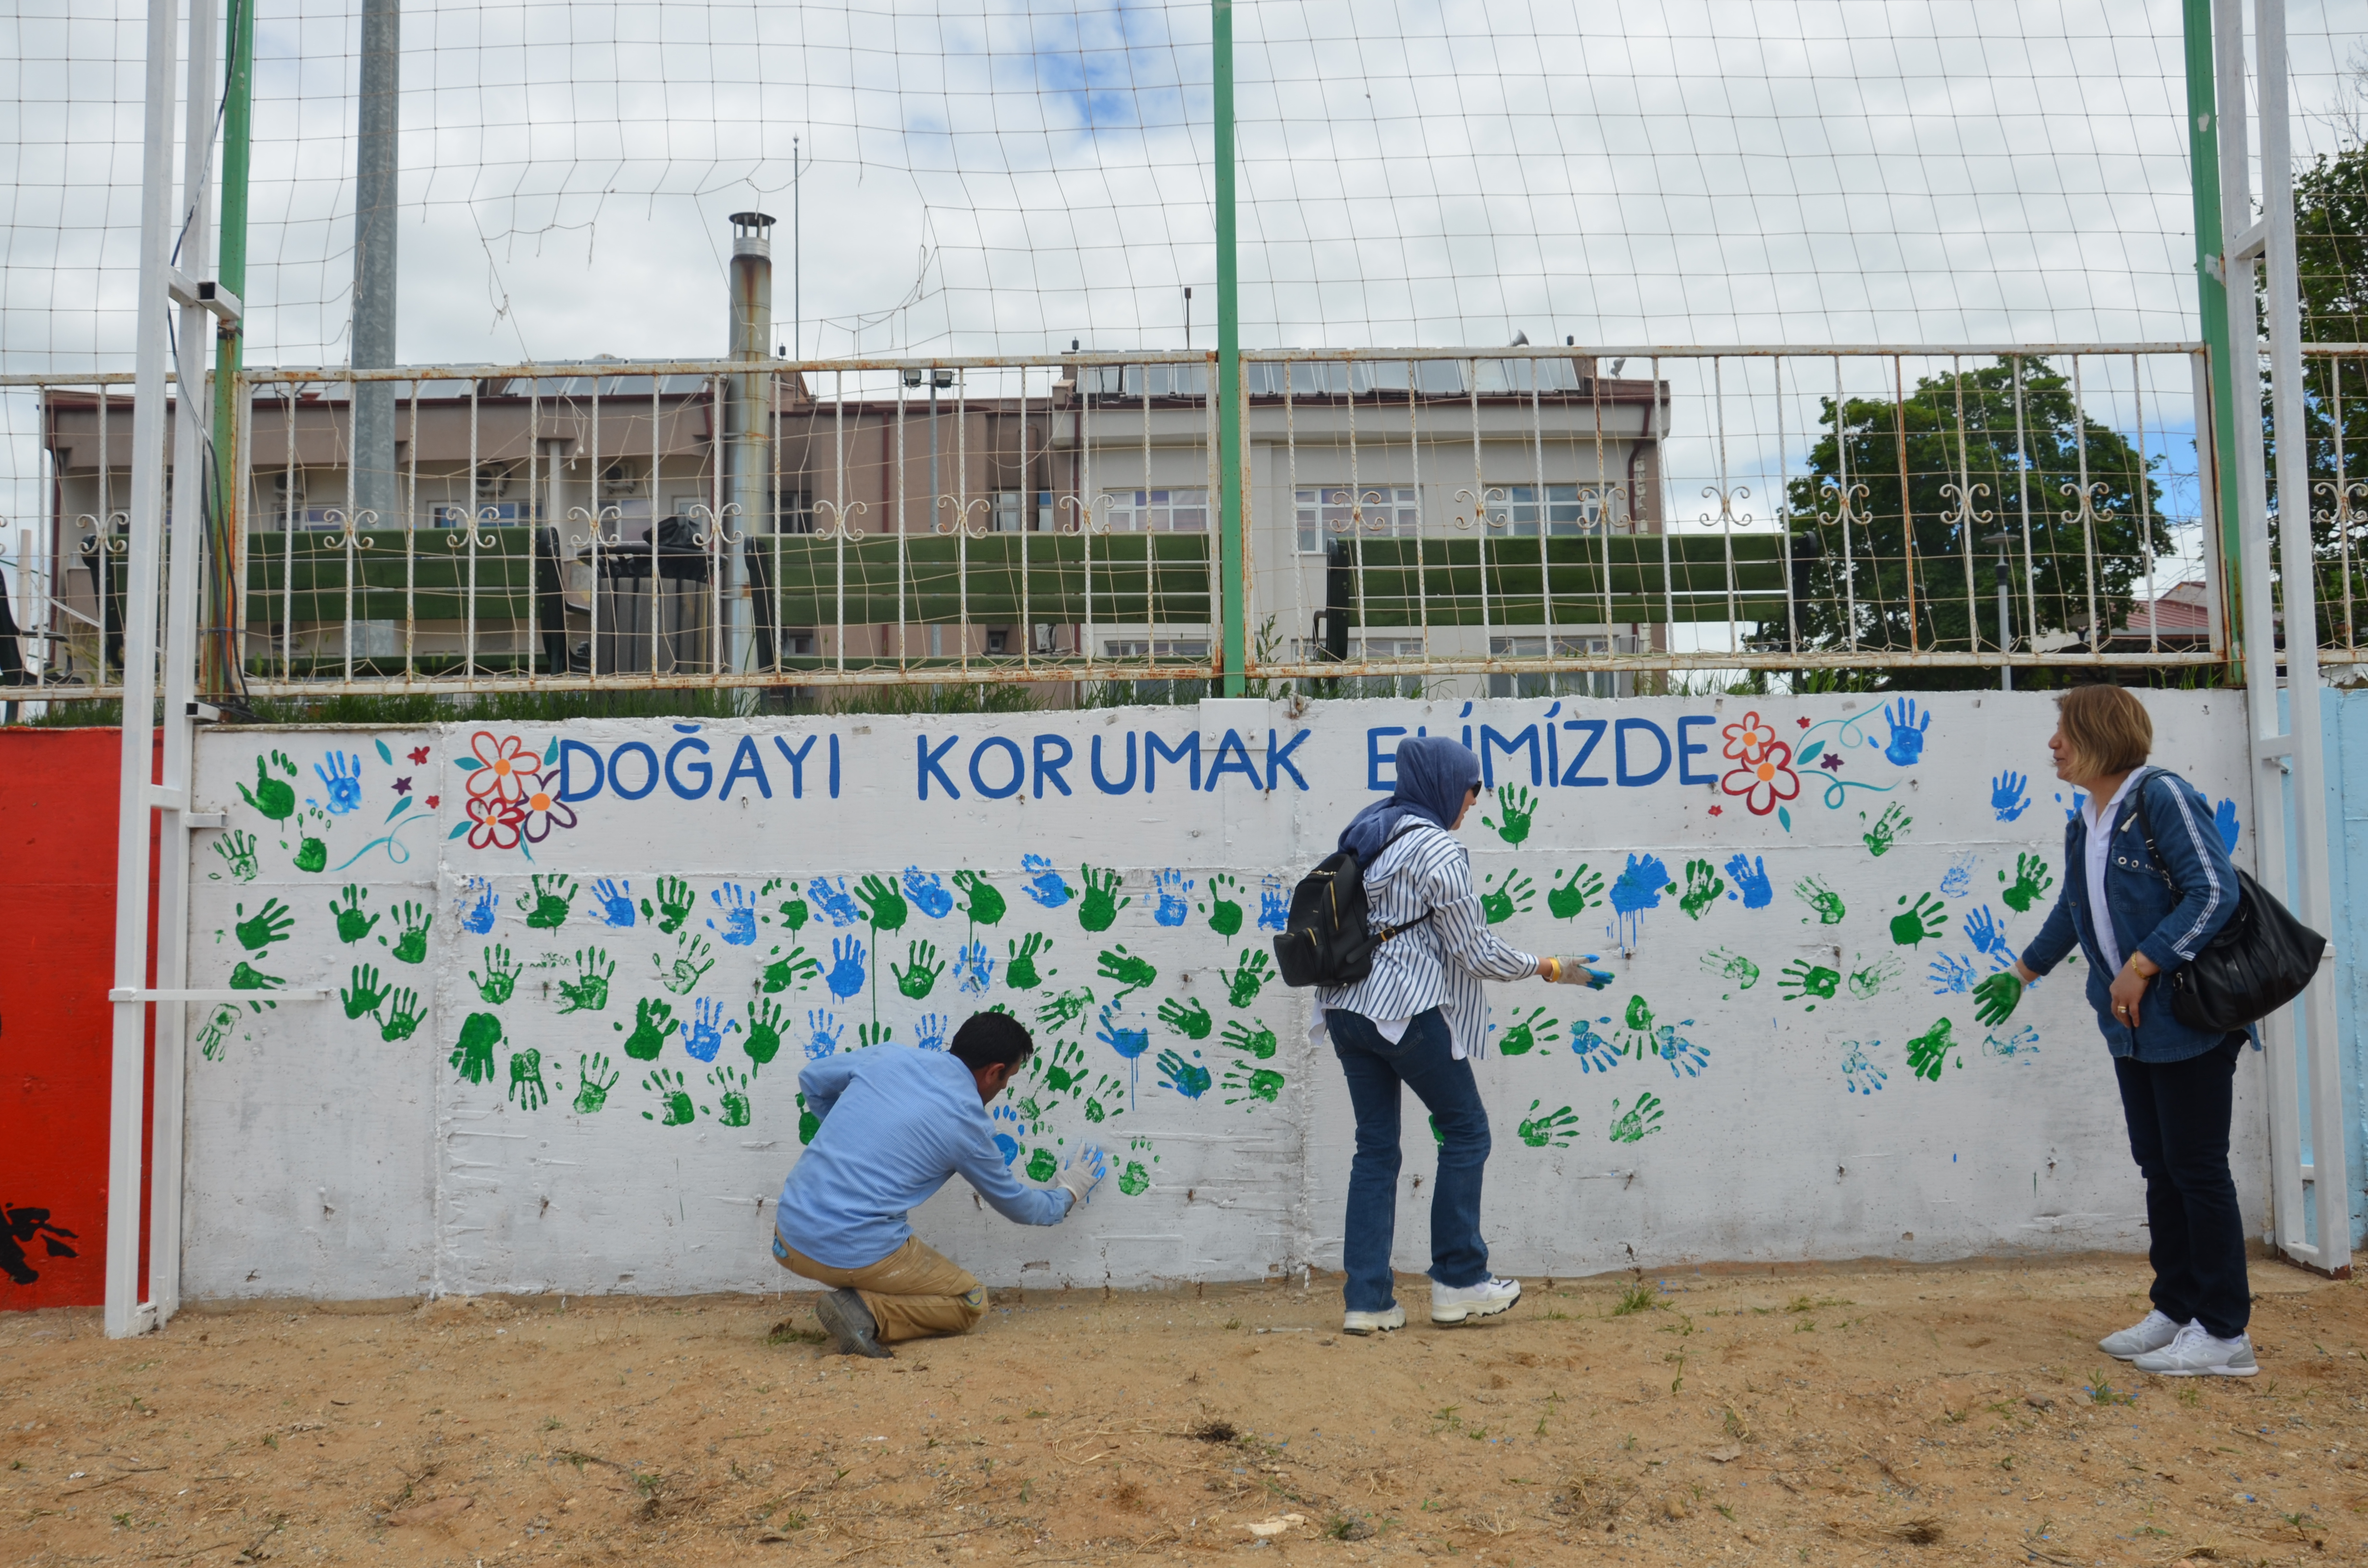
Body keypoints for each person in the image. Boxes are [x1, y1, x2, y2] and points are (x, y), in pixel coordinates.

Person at [1979, 685, 2255, 1377]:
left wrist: (2142, 964)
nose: (2053, 746)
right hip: (2129, 1028)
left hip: (2186, 1019)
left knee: (2197, 1170)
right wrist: (2022, 972)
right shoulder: (2087, 818)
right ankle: (2177, 1309)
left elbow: (2214, 892)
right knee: (2160, 1169)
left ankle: (2225, 1334)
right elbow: (2075, 908)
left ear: (2099, 732)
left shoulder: (2160, 797)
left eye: (2064, 732)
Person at [1316, 735, 1609, 1336]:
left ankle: (1367, 1301)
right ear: (1446, 784)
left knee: (1374, 1150)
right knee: (1466, 1131)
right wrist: (1550, 968)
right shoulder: (1437, 850)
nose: (1472, 802)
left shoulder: (1366, 831)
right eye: (1470, 790)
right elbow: (1475, 953)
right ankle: (1459, 1280)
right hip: (1403, 1012)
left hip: (1344, 1010)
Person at [772, 1012, 1107, 1358]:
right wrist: (1068, 1193)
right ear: (994, 1071)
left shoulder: (890, 1056)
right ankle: (866, 1313)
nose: (1003, 1088)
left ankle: (860, 1299)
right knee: (969, 1300)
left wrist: (847, 1133)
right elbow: (1020, 1207)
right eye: (1008, 1079)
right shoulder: (967, 1125)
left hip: (788, 1234)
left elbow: (812, 1079)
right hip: (848, 1250)